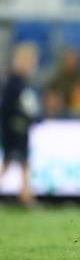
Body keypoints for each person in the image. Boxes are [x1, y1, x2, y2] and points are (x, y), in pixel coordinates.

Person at [0, 43, 41, 206]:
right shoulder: (14, 83)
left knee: (22, 163)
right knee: (11, 162)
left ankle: (25, 195)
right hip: (14, 131)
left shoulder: (20, 83)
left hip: (19, 130)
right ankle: (26, 196)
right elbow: (8, 109)